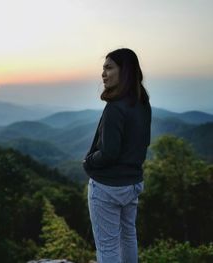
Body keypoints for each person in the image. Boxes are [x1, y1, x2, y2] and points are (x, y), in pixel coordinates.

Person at [82, 48, 151, 263]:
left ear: (126, 71)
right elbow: (143, 143)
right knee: (128, 236)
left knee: (108, 247)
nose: (103, 74)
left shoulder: (115, 108)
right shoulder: (142, 103)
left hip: (107, 187)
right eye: (103, 69)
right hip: (131, 184)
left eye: (109, 68)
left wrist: (89, 161)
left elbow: (109, 153)